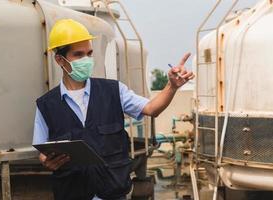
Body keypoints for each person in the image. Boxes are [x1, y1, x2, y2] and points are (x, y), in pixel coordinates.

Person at [33, 19, 195, 200]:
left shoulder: (114, 90)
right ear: (59, 60)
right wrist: (48, 161)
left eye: (89, 53)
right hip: (71, 192)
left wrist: (171, 86)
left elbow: (151, 108)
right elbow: (41, 151)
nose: (86, 60)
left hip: (112, 192)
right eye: (78, 55)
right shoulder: (46, 105)